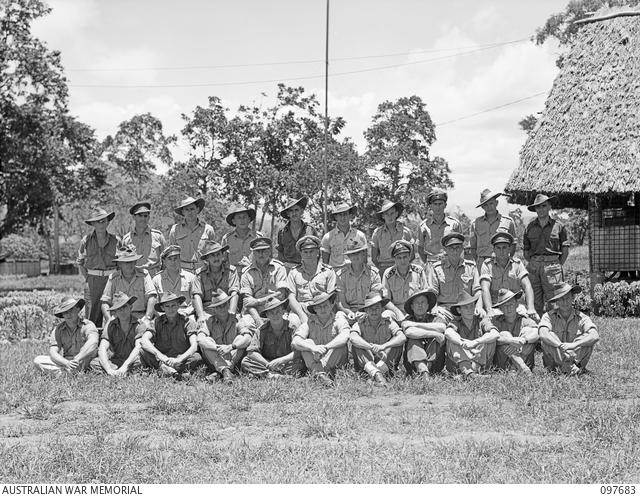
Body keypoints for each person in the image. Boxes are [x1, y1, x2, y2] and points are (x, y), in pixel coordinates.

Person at [240, 237, 305, 326]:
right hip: (255, 312)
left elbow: (281, 295)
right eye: (258, 251)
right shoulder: (247, 273)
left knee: (292, 324)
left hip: (276, 310)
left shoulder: (279, 268)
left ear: (269, 252)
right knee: (246, 325)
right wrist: (258, 320)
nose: (261, 254)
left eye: (264, 251)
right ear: (253, 253)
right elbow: (248, 302)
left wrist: (258, 301)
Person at [523, 194, 570, 316]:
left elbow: (565, 250)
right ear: (535, 209)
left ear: (549, 206)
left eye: (543, 206)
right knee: (534, 301)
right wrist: (535, 262)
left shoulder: (559, 226)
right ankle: (536, 330)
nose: (541, 209)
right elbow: (526, 251)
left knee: (554, 300)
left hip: (553, 267)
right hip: (534, 267)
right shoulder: (529, 227)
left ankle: (554, 329)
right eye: (538, 207)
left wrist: (557, 265)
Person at [538, 282, 599, 375]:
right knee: (549, 336)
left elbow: (595, 335)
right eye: (561, 299)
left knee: (588, 338)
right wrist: (561, 346)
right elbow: (543, 334)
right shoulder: (548, 316)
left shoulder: (582, 317)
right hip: (554, 364)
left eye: (567, 298)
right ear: (557, 301)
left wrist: (573, 345)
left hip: (576, 359)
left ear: (572, 298)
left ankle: (570, 367)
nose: (565, 302)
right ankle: (571, 369)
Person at [292, 292, 350, 387]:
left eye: (325, 305)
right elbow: (295, 341)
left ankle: (318, 374)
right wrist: (313, 348)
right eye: (319, 307)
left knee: (340, 344)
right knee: (306, 343)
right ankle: (321, 375)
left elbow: (345, 336)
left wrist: (326, 347)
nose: (323, 309)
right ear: (315, 309)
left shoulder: (338, 320)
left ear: (331, 306)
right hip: (316, 359)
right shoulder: (309, 323)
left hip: (333, 360)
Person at [139, 292, 203, 378]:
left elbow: (194, 345)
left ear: (178, 306)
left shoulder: (187, 321)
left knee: (197, 357)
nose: (171, 309)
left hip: (181, 359)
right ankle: (175, 372)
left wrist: (179, 359)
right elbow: (144, 340)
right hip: (162, 359)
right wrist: (162, 357)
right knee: (143, 351)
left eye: (173, 305)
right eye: (167, 306)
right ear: (162, 308)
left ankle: (165, 371)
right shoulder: (157, 322)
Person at [241, 296, 306, 379]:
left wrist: (281, 360)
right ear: (267, 315)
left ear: (283, 311)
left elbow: (299, 350)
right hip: (268, 362)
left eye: (278, 311)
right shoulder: (261, 330)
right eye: (271, 313)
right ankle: (279, 376)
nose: (275, 315)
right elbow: (251, 352)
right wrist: (268, 364)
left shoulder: (292, 328)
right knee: (246, 361)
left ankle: (267, 375)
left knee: (300, 363)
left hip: (285, 362)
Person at [349, 292, 406, 386]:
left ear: (382, 309)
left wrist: (383, 346)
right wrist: (371, 348)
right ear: (366, 310)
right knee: (357, 345)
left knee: (397, 343)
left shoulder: (388, 322)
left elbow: (402, 337)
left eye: (377, 308)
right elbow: (353, 338)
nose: (374, 311)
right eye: (371, 308)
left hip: (384, 360)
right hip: (368, 360)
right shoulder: (360, 323)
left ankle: (374, 375)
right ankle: (378, 375)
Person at [197, 291, 255, 383]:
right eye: (218, 306)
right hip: (216, 357)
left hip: (233, 358)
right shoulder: (208, 321)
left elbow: (248, 338)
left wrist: (231, 347)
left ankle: (222, 372)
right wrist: (217, 348)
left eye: (224, 305)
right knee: (207, 341)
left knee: (241, 338)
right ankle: (226, 371)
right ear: (214, 309)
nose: (221, 308)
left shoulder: (237, 319)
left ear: (228, 304)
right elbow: (200, 339)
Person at [77, 208, 119, 328]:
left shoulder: (116, 241)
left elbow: (121, 263)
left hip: (112, 280)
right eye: (98, 221)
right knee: (92, 315)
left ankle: (112, 343)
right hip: (93, 281)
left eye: (104, 221)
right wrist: (89, 277)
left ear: (108, 222)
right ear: (93, 224)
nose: (101, 224)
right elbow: (81, 262)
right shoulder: (86, 241)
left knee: (114, 312)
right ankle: (93, 342)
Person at [34, 297, 99, 374]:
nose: (68, 314)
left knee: (96, 363)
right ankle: (70, 372)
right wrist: (66, 363)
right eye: (65, 312)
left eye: (71, 310)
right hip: (67, 362)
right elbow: (53, 351)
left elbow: (93, 343)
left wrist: (77, 359)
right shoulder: (58, 329)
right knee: (38, 360)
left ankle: (65, 372)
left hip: (85, 361)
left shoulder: (88, 325)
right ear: (62, 314)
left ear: (78, 309)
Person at [480, 231, 537, 320]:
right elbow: (485, 288)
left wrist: (531, 308)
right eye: (498, 248)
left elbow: (527, 285)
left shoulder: (517, 264)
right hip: (496, 307)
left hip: (515, 306)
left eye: (504, 248)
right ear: (494, 249)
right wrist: (489, 309)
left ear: (509, 248)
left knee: (532, 324)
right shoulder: (487, 265)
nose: (501, 251)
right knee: (490, 328)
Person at [444, 291, 499, 378]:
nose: (470, 309)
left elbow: (495, 333)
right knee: (453, 340)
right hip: (459, 364)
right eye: (466, 307)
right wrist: (463, 343)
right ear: (459, 310)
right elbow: (448, 332)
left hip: (478, 361)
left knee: (488, 338)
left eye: (472, 306)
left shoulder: (481, 320)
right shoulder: (456, 322)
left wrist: (475, 342)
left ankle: (469, 374)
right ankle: (469, 373)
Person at [100, 245, 157, 325]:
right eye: (126, 262)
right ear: (120, 264)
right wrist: (109, 320)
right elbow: (105, 302)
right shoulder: (113, 278)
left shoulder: (144, 275)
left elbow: (152, 297)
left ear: (135, 262)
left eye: (131, 261)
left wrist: (147, 318)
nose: (129, 265)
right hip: (118, 317)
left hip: (140, 317)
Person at [152, 245, 206, 325]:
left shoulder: (190, 277)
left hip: (186, 314)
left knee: (195, 329)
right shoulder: (156, 280)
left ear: (179, 259)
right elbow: (153, 302)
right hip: (164, 316)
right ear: (164, 261)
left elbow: (196, 297)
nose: (173, 262)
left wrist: (200, 315)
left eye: (176, 258)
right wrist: (163, 316)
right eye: (170, 259)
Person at [432, 232, 482, 316]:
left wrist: (479, 307)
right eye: (451, 248)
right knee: (439, 325)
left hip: (467, 308)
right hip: (445, 310)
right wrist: (434, 308)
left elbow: (477, 291)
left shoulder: (471, 267)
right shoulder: (437, 268)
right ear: (445, 249)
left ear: (462, 248)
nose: (455, 251)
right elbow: (433, 293)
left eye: (457, 247)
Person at [490, 289, 539, 374]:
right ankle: (522, 367)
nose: (509, 308)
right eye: (505, 306)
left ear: (517, 305)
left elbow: (538, 333)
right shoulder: (495, 321)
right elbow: (492, 338)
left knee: (527, 331)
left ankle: (515, 368)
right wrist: (511, 341)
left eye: (511, 304)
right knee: (504, 334)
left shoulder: (525, 320)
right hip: (503, 364)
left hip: (525, 358)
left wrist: (523, 340)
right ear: (500, 308)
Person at [382, 240, 433, 320]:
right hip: (397, 311)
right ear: (394, 259)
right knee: (386, 315)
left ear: (409, 256)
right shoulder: (388, 274)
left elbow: (425, 293)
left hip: (416, 311)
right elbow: (386, 299)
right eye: (399, 258)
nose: (402, 261)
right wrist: (398, 313)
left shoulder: (418, 271)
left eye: (405, 257)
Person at [402, 289, 446, 376]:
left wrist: (414, 325)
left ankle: (426, 370)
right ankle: (423, 371)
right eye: (417, 303)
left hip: (435, 364)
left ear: (427, 305)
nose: (420, 305)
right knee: (413, 340)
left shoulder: (435, 318)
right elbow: (409, 332)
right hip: (413, 365)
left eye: (423, 302)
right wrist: (434, 333)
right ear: (412, 306)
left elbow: (442, 327)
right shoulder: (407, 319)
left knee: (435, 340)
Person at [98, 292, 143, 376]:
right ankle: (116, 371)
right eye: (119, 309)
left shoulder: (139, 324)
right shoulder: (111, 325)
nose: (122, 311)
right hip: (116, 360)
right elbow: (102, 348)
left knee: (143, 362)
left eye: (124, 307)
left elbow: (138, 348)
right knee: (94, 363)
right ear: (114, 312)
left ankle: (122, 371)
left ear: (130, 307)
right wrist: (108, 369)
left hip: (133, 360)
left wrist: (125, 366)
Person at [336, 239, 383, 318]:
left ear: (363, 254)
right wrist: (349, 313)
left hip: (370, 311)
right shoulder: (341, 275)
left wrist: (366, 313)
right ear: (349, 256)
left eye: (358, 253)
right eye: (352, 254)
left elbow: (376, 299)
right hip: (349, 311)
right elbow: (341, 302)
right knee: (339, 316)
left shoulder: (373, 274)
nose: (355, 256)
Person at [286, 235, 337, 309]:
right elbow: (291, 297)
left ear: (317, 252)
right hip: (300, 309)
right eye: (305, 252)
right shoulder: (294, 273)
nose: (309, 255)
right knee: (293, 320)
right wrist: (302, 316)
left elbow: (332, 297)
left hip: (323, 309)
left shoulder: (328, 272)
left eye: (311, 251)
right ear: (301, 254)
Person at [469, 189, 516, 267]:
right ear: (482, 207)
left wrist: (507, 259)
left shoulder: (508, 221)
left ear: (496, 203)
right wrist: (479, 261)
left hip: (502, 262)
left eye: (491, 203)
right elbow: (473, 247)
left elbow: (513, 244)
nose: (489, 207)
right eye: (485, 205)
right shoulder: (475, 223)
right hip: (482, 262)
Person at [168, 196, 216, 273]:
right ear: (183, 212)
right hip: (182, 271)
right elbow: (171, 253)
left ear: (197, 210)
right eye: (187, 209)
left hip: (203, 270)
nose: (190, 212)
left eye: (192, 209)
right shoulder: (175, 230)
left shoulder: (208, 229)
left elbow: (213, 253)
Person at [121, 202, 166, 277]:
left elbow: (166, 260)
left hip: (154, 277)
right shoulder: (126, 239)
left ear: (148, 217)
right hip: (134, 278)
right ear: (134, 217)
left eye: (145, 216)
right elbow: (123, 263)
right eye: (140, 215)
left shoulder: (158, 236)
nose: (143, 219)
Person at [370, 199, 415, 274]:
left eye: (392, 213)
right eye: (387, 214)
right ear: (383, 216)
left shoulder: (406, 232)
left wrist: (403, 266)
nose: (390, 216)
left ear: (396, 214)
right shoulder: (377, 233)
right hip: (384, 269)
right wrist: (383, 270)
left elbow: (412, 255)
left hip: (403, 269)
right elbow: (374, 258)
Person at [418, 188, 460, 264]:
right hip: (431, 263)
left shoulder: (454, 224)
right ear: (430, 206)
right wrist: (427, 263)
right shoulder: (423, 226)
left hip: (450, 263)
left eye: (440, 204)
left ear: (445, 205)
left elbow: (460, 246)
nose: (438, 207)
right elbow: (420, 248)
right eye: (435, 204)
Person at [196, 241, 240, 313]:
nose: (216, 258)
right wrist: (201, 316)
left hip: (227, 308)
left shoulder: (231, 271)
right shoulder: (200, 274)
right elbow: (197, 296)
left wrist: (232, 313)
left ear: (222, 255)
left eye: (218, 254)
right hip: (207, 310)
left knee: (245, 323)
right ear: (207, 258)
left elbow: (234, 294)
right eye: (213, 255)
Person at [275, 196, 318, 269]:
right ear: (288, 214)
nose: (294, 213)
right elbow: (280, 252)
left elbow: (317, 251)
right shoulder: (282, 232)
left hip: (307, 268)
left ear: (301, 211)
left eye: (296, 210)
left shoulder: (310, 230)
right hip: (288, 268)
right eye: (291, 211)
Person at [320, 202, 367, 269]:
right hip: (335, 275)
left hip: (355, 275)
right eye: (340, 215)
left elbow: (364, 261)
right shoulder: (327, 237)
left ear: (350, 215)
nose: (343, 217)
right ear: (336, 217)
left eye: (345, 214)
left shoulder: (360, 235)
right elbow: (325, 264)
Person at [220, 204, 263, 270]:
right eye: (239, 218)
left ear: (249, 219)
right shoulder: (227, 239)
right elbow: (222, 261)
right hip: (233, 277)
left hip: (254, 276)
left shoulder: (258, 237)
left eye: (244, 217)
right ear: (234, 221)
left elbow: (264, 259)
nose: (242, 220)